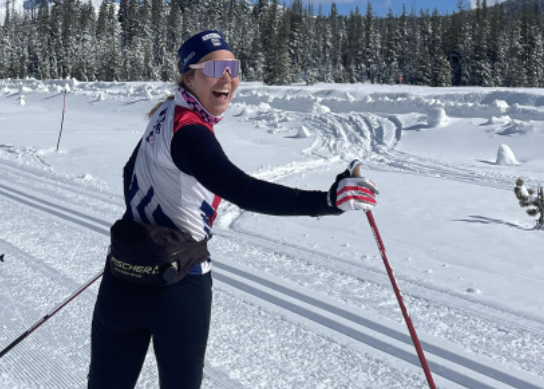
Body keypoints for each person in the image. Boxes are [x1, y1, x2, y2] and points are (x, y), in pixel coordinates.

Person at [87, 30, 379, 389]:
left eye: (232, 66)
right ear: (189, 76)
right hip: (176, 287)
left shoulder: (165, 112)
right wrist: (327, 201)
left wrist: (144, 234)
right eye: (213, 68)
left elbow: (129, 172)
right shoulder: (188, 130)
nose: (226, 76)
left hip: (122, 277)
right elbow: (243, 190)